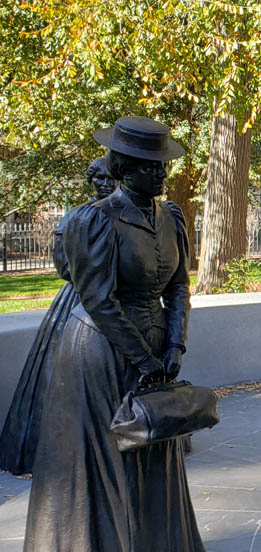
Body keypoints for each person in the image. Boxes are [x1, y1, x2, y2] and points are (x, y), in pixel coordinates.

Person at [23, 117, 203, 551]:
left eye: (163, 165)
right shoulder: (94, 219)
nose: (161, 174)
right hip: (100, 352)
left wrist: (175, 344)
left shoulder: (171, 216)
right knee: (108, 457)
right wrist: (144, 360)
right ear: (123, 167)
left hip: (156, 346)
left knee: (153, 447)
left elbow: (179, 286)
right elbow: (99, 300)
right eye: (151, 166)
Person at [0, 158, 116, 475]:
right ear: (92, 181)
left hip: (116, 299)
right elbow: (62, 266)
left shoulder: (124, 215)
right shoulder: (75, 218)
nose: (107, 184)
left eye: (112, 178)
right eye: (101, 179)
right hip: (79, 299)